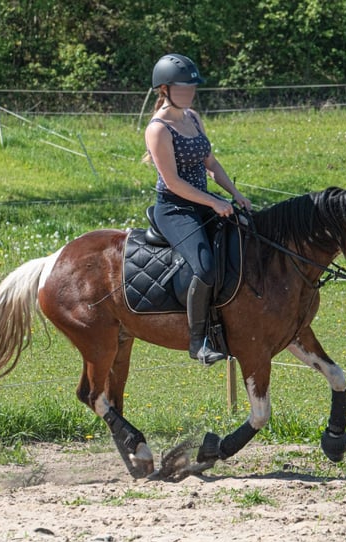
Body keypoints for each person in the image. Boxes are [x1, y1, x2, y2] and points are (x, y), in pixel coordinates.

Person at [144, 53, 252, 365]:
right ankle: (198, 342)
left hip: (204, 203)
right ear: (164, 89)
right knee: (204, 268)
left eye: (192, 88)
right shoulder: (158, 129)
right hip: (175, 210)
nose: (190, 93)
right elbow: (174, 183)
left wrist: (234, 193)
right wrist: (215, 202)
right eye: (183, 88)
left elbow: (211, 163)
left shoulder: (192, 117)